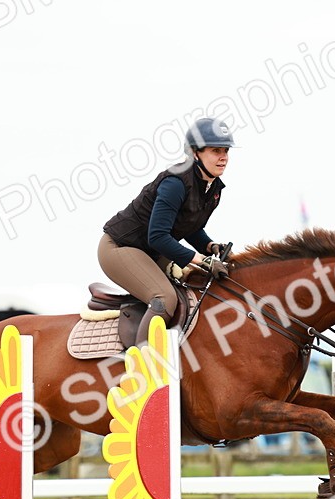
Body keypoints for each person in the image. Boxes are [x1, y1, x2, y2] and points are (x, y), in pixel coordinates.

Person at [98, 117, 234, 342]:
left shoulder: (213, 187)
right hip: (120, 248)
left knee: (195, 285)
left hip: (151, 251)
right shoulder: (175, 183)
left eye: (226, 151)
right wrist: (202, 260)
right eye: (216, 150)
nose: (224, 157)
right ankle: (142, 364)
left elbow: (189, 227)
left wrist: (210, 246)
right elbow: (158, 237)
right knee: (165, 298)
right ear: (194, 153)